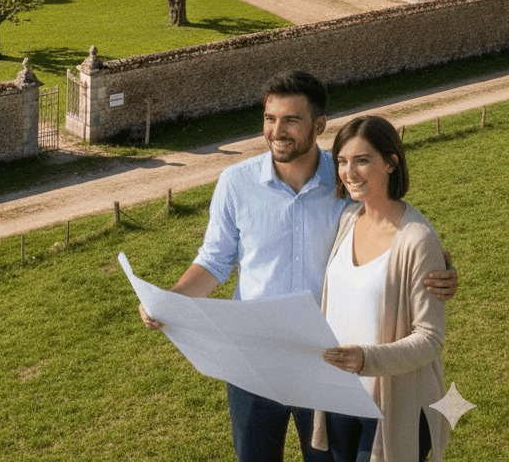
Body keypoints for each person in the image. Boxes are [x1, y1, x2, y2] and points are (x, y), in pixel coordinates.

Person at [139, 71, 456, 462]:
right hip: (252, 360)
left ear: (319, 125)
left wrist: (435, 271)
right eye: (270, 118)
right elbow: (215, 261)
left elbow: (390, 235)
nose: (277, 131)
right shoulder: (235, 183)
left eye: (291, 120)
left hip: (325, 363)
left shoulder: (347, 186)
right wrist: (168, 300)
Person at [316, 115, 448, 462]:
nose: (349, 172)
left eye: (362, 160)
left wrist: (366, 359)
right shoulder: (347, 220)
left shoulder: (417, 239)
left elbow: (431, 338)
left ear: (391, 163)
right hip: (339, 399)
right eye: (342, 161)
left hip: (391, 406)